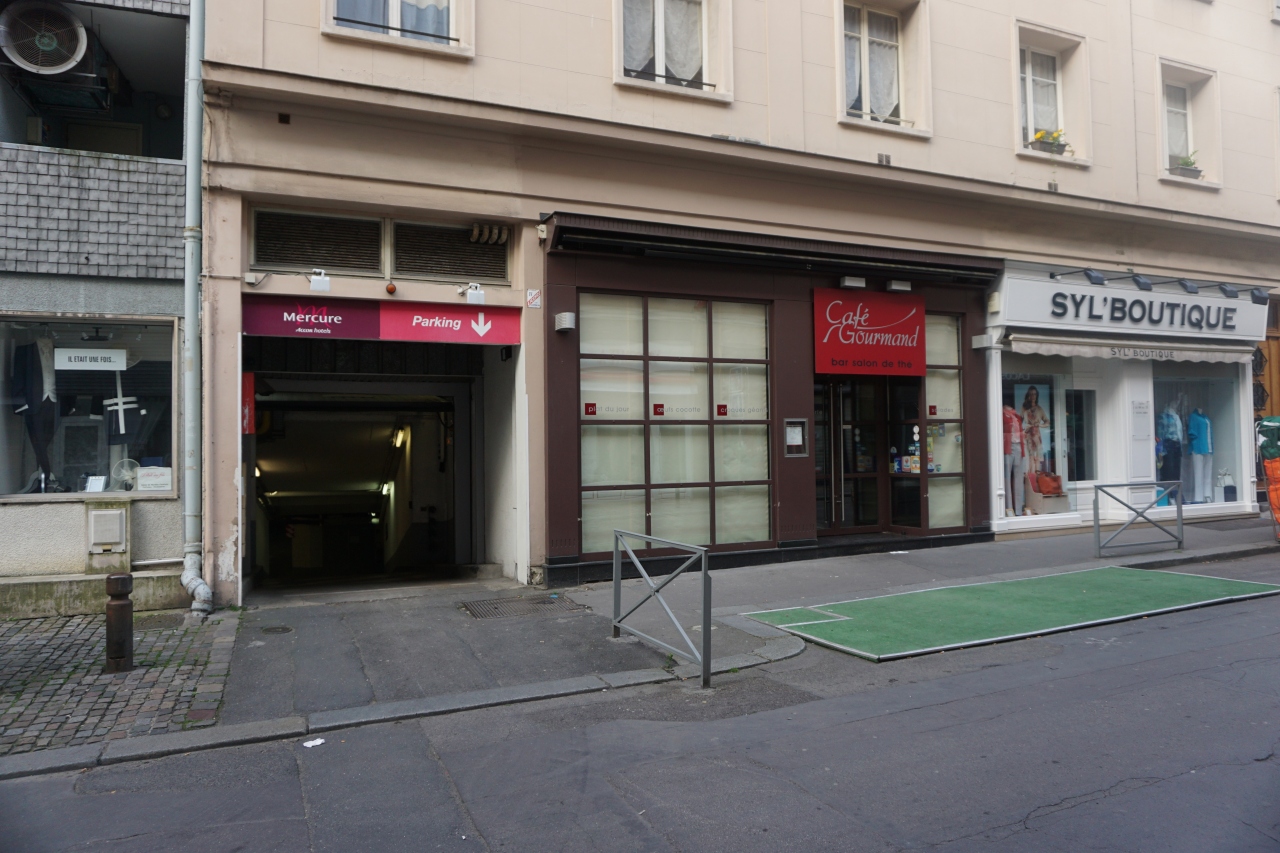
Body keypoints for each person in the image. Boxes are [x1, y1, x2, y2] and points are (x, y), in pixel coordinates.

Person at [1021, 385, 1050, 474]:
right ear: (1028, 395)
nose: (1033, 396)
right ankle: (1030, 477)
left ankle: (1037, 477)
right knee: (1030, 457)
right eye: (1031, 394)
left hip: (1036, 435)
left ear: (1037, 395)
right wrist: (1023, 429)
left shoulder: (1039, 409)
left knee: (1037, 457)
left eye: (1034, 394)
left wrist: (1040, 425)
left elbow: (1047, 422)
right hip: (1028, 434)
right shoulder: (1025, 408)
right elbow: (1019, 420)